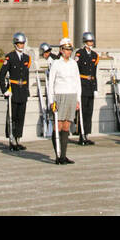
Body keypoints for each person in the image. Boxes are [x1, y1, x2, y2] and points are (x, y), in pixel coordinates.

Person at [47, 36, 81, 164]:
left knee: (67, 125)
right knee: (58, 125)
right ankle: (58, 154)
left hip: (71, 95)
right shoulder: (56, 64)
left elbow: (77, 82)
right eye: (66, 49)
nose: (68, 52)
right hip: (60, 95)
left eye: (70, 49)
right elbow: (51, 83)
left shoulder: (73, 64)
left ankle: (64, 155)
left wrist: (78, 99)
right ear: (61, 50)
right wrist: (51, 101)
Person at [0, 32, 31, 150]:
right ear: (15, 44)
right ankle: (12, 140)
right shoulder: (10, 57)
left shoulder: (27, 58)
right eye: (19, 43)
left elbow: (26, 75)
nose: (21, 45)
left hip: (22, 90)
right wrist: (5, 90)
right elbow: (2, 75)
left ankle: (18, 139)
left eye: (22, 43)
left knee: (21, 116)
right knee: (12, 116)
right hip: (14, 90)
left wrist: (27, 91)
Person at [75, 32, 99, 145]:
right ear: (85, 42)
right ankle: (81, 134)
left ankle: (87, 134)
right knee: (83, 111)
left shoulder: (94, 55)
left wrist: (95, 87)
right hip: (82, 84)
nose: (91, 43)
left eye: (92, 41)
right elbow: (76, 71)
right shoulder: (79, 54)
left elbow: (94, 73)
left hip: (90, 85)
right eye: (89, 41)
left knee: (89, 111)